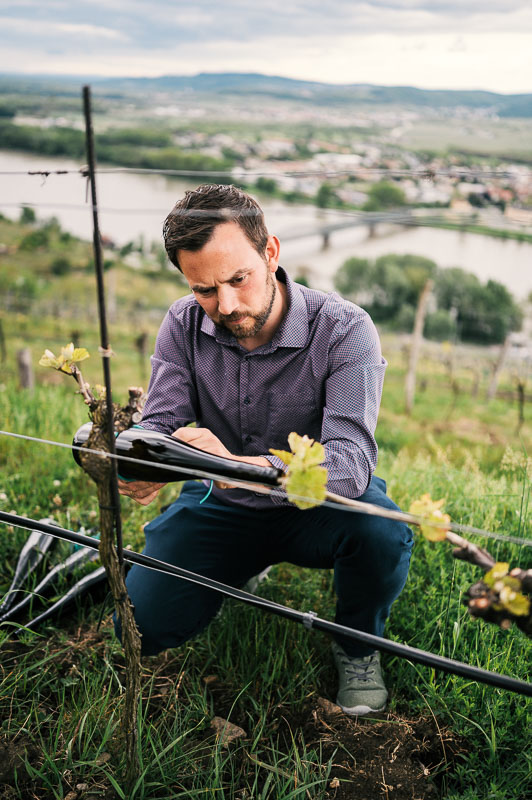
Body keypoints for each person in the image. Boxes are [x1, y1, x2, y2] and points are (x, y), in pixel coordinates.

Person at [117, 184, 413, 716]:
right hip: (220, 508)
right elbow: (160, 422)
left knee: (382, 532)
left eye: (238, 279)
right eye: (204, 289)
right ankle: (238, 565)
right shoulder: (183, 323)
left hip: (317, 511)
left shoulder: (345, 329)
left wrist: (238, 467)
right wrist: (138, 461)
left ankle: (357, 645)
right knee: (136, 629)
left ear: (270, 252)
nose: (225, 305)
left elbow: (348, 464)